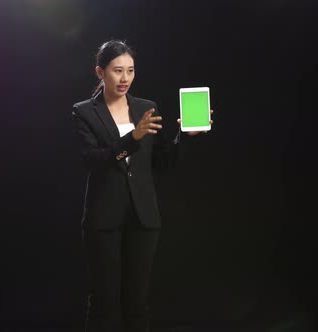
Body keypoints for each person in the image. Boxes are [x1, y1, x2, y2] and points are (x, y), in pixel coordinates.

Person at [71, 39, 213, 332]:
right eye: (117, 71)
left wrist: (185, 136)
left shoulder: (146, 108)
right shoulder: (84, 111)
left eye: (131, 71)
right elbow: (92, 160)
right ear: (100, 72)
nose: (125, 79)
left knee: (137, 302)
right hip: (103, 219)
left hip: (143, 217)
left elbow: (160, 162)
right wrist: (132, 139)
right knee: (104, 303)